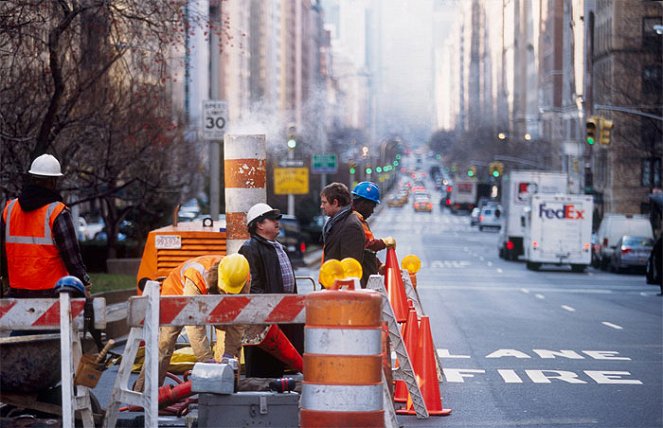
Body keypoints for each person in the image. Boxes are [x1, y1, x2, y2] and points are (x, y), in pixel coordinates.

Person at [134, 253, 250, 391]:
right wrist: (206, 360)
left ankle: (225, 389)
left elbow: (237, 322)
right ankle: (145, 391)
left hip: (211, 295)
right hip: (176, 293)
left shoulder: (243, 278)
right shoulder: (197, 275)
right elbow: (193, 323)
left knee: (229, 349)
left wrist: (229, 356)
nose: (229, 294)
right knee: (165, 344)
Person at [1, 154, 91, 298]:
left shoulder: (10, 209)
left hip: (17, 291)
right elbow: (71, 255)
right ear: (53, 181)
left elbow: (2, 251)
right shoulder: (57, 212)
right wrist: (83, 282)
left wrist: (5, 281)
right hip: (53, 291)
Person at [239, 203, 304, 378]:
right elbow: (254, 286)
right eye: (272, 219)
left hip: (282, 315)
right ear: (259, 224)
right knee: (264, 368)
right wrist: (267, 312)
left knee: (279, 367)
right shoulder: (250, 248)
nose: (277, 222)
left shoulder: (277, 247)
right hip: (266, 319)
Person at [351, 181, 396, 287]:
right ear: (363, 203)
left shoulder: (359, 220)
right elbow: (368, 244)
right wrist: (384, 243)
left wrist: (378, 265)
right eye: (372, 206)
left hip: (363, 280)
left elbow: (365, 252)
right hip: (359, 283)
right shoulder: (354, 223)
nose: (372, 211)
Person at [319, 183, 366, 284]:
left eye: (324, 203)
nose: (322, 206)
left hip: (340, 291)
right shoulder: (335, 222)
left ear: (335, 203)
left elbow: (349, 266)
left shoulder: (351, 226)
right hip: (333, 287)